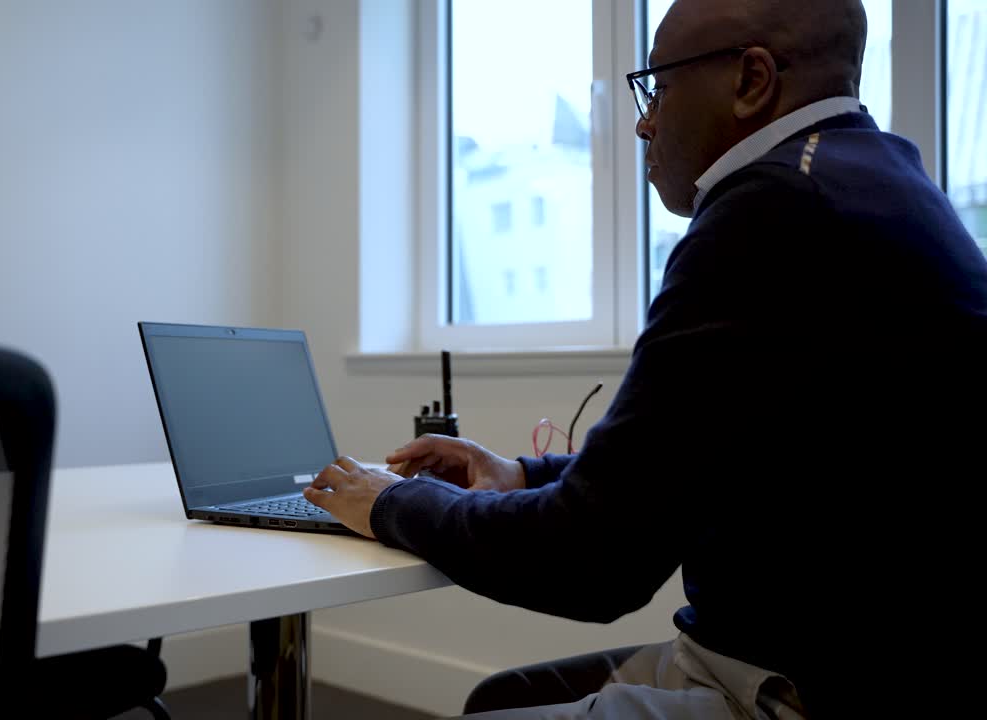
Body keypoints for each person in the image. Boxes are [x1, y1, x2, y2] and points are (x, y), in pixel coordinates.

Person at [303, 0, 987, 717]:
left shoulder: (770, 213)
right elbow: (700, 469)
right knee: (501, 697)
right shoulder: (871, 180)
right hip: (831, 652)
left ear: (751, 79)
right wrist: (522, 474)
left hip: (796, 685)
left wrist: (391, 503)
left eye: (657, 86)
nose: (643, 120)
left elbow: (591, 563)